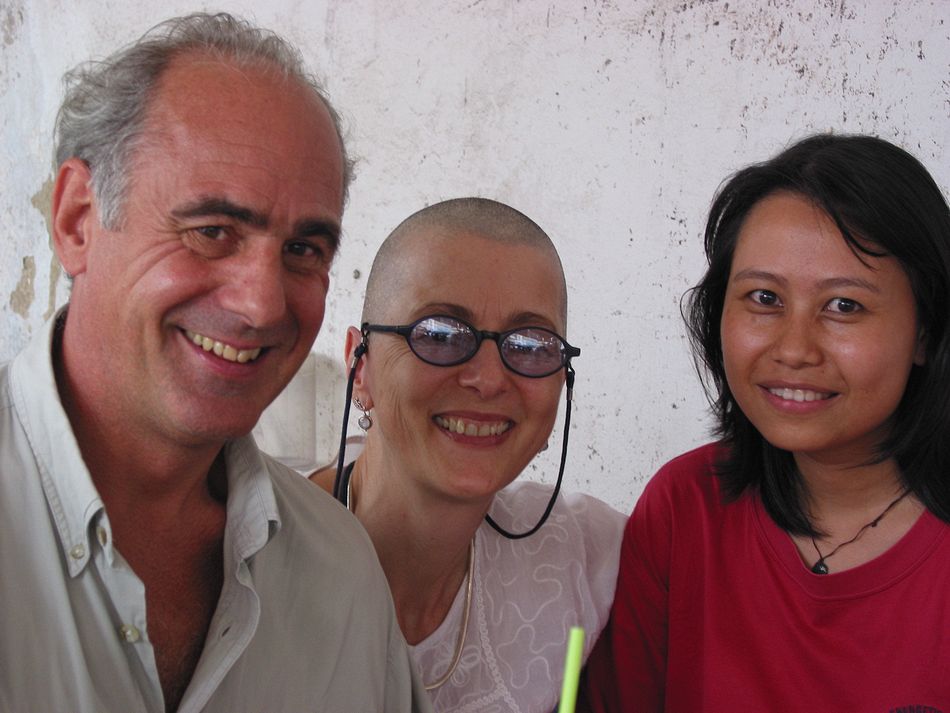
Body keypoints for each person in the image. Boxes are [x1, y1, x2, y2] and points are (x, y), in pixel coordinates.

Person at [0, 13, 429, 713]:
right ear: (78, 220)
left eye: (303, 250)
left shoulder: (340, 575)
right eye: (211, 231)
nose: (261, 305)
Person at [583, 134, 950, 711]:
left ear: (925, 331)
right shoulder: (687, 507)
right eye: (763, 298)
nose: (794, 349)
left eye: (844, 306)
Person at [310, 197, 626, 713]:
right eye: (439, 334)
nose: (489, 380)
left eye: (531, 345)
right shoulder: (255, 558)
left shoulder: (580, 557)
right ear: (359, 366)